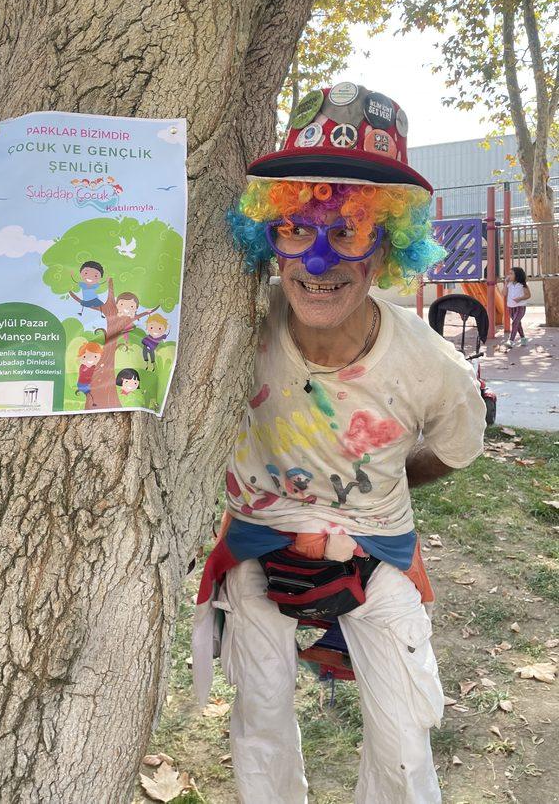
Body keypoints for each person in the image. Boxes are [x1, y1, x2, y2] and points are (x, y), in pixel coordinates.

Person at [192, 82, 487, 804]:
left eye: (348, 232)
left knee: (405, 744)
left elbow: (456, 447)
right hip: (256, 543)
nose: (318, 262)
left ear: (384, 248)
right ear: (270, 236)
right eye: (296, 229)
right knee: (258, 726)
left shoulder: (432, 367)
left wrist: (377, 487)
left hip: (377, 550)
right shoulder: (236, 327)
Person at [503, 266, 531, 348]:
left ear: (517, 275)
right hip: (510, 307)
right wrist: (505, 283)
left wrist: (520, 298)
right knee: (517, 323)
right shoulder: (509, 284)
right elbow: (504, 294)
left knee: (515, 322)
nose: (509, 275)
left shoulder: (523, 285)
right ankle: (523, 338)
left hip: (520, 307)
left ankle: (511, 341)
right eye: (509, 274)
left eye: (511, 274)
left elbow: (528, 295)